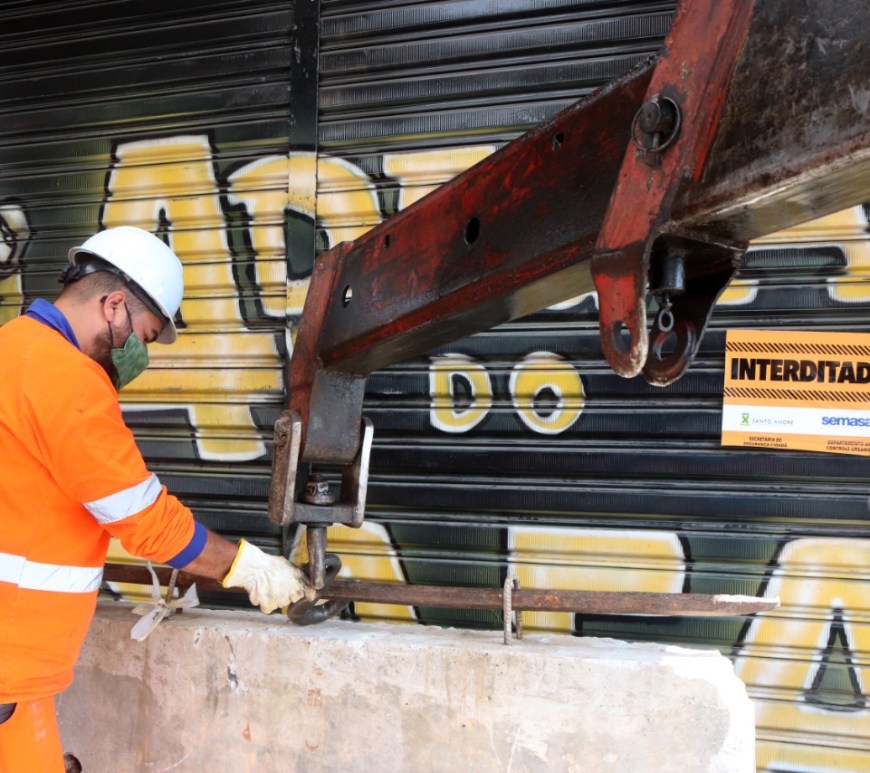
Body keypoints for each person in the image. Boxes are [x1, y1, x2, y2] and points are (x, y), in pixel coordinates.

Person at [0, 226, 314, 772]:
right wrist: (247, 567)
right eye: (143, 337)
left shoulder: (11, 347)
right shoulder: (64, 376)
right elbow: (144, 519)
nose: (138, 355)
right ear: (113, 305)